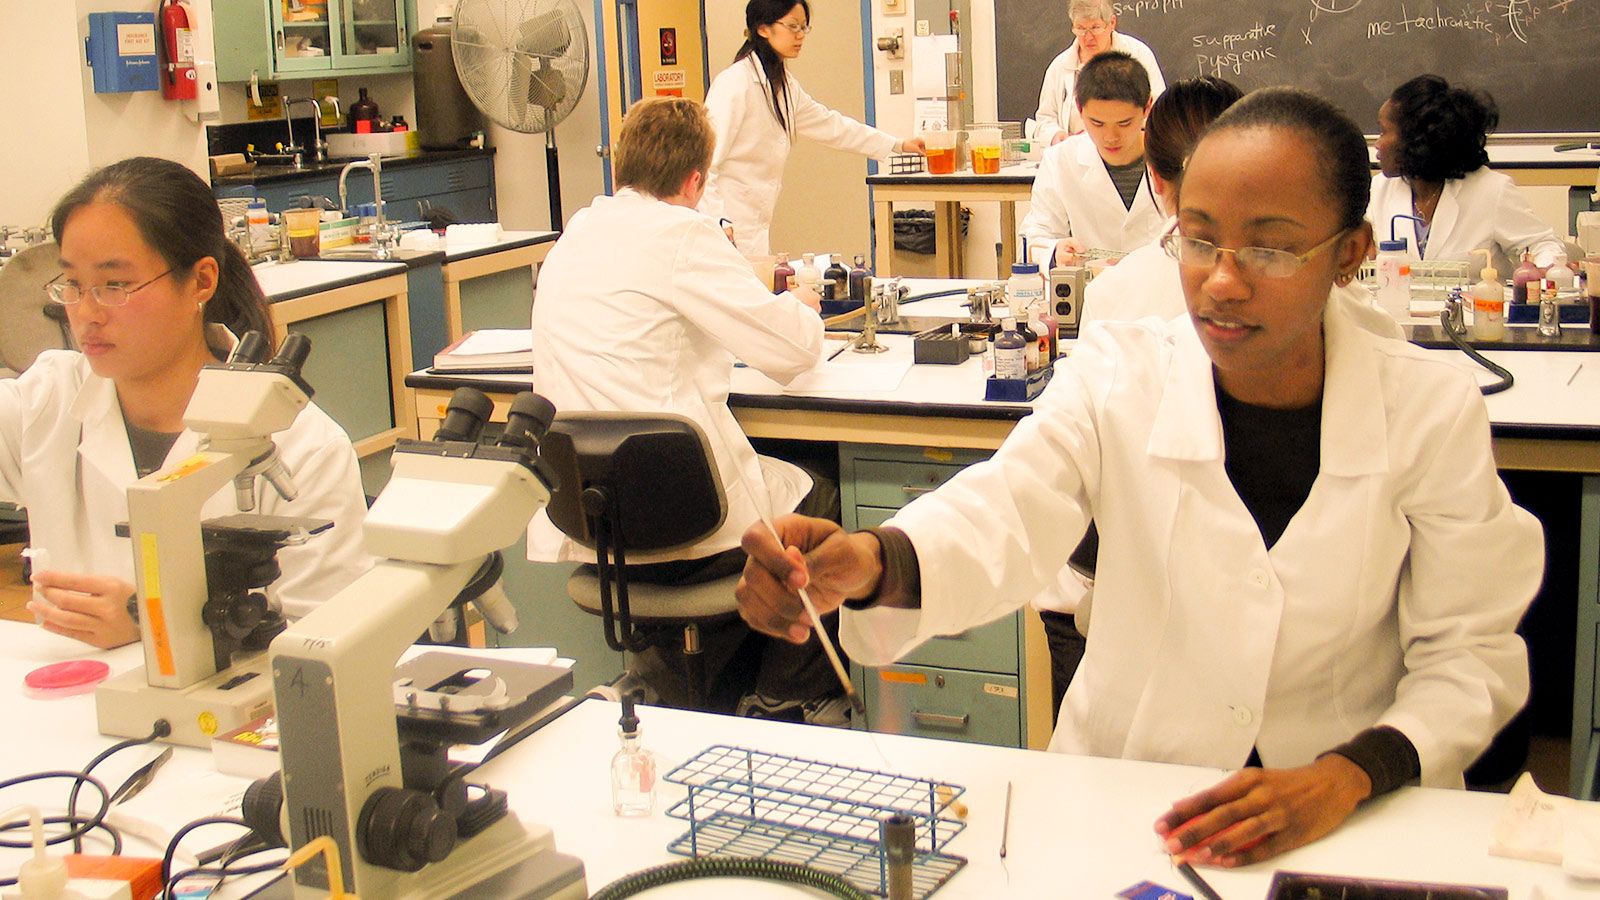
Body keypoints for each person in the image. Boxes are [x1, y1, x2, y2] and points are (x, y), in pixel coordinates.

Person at [736, 88, 1543, 868]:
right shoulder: (1117, 375)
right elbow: (1008, 509)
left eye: (1268, 247)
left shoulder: (1429, 409)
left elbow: (1468, 654)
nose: (1222, 281)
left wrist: (1347, 775)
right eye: (1198, 240)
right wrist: (871, 561)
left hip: (1354, 816)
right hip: (1133, 801)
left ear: (1349, 254)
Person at [529, 97, 847, 721]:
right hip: (687, 523)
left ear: (622, 167)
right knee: (824, 496)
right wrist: (806, 305)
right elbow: (789, 352)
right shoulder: (682, 234)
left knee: (763, 483)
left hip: (596, 524)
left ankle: (683, 688)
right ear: (696, 181)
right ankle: (785, 696)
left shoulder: (577, 234)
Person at [0, 157, 371, 649]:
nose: (86, 313)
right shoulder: (48, 398)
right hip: (71, 709)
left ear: (201, 281)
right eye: (71, 284)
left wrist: (154, 624)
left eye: (115, 285)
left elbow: (325, 646)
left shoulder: (299, 444)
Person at [700, 0, 923, 256]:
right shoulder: (735, 83)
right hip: (725, 223)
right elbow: (705, 162)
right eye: (793, 26)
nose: (800, 36)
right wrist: (718, 219)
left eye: (804, 28)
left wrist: (898, 144)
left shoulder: (784, 85)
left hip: (753, 225)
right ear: (763, 29)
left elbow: (832, 126)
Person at [1369, 74, 1565, 274]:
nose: (1377, 143)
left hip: (1480, 304)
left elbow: (1544, 246)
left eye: (1384, 132)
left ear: (1417, 140)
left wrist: (1542, 270)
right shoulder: (1379, 190)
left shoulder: (1491, 191)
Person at [1021, 51, 1165, 268]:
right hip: (1089, 292)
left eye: (1124, 123)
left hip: (1161, 291)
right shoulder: (1060, 162)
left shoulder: (1174, 159)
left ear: (1147, 107)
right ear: (1079, 108)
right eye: (1097, 123)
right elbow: (1036, 236)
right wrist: (1055, 252)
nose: (1111, 137)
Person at [1032, 0, 1165, 146]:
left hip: (1128, 151)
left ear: (1112, 23)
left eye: (1095, 28)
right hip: (1076, 155)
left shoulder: (1138, 55)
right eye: (1081, 29)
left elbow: (1159, 112)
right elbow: (1045, 119)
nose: (1088, 37)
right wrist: (1056, 135)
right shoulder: (1060, 66)